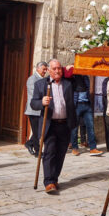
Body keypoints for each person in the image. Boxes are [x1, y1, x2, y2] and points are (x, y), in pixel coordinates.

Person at [30, 59, 76, 194]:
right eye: (54, 68)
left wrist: (73, 68)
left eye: (59, 68)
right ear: (49, 70)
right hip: (49, 124)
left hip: (65, 124)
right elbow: (33, 103)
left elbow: (79, 78)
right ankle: (49, 182)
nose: (57, 71)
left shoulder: (68, 84)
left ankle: (54, 178)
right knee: (49, 152)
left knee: (61, 153)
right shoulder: (41, 84)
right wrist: (42, 102)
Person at [69, 74, 103, 156]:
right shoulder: (72, 77)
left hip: (87, 104)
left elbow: (88, 89)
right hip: (77, 105)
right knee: (74, 128)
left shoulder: (86, 77)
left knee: (90, 127)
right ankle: (74, 148)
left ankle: (93, 148)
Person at [24, 61, 48, 157]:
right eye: (44, 69)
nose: (45, 71)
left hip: (41, 109)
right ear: (38, 68)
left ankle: (29, 143)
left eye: (46, 69)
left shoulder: (44, 79)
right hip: (33, 110)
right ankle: (37, 152)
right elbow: (34, 94)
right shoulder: (32, 79)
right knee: (37, 131)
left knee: (39, 131)